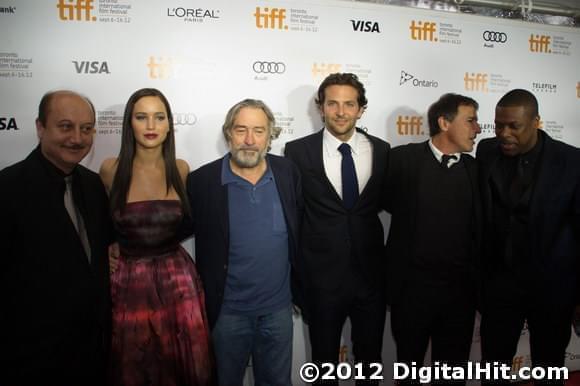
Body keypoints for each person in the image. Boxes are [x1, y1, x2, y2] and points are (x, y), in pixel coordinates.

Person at [99, 88, 213, 386]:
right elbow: (98, 226)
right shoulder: (110, 170)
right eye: (142, 117)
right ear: (129, 124)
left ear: (169, 125)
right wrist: (108, 248)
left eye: (158, 117)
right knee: (135, 366)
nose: (150, 126)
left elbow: (189, 225)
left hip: (177, 282)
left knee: (185, 365)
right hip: (129, 283)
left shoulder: (180, 169)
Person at [185, 99, 302, 386]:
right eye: (241, 130)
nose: (249, 140)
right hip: (227, 314)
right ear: (228, 133)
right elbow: (174, 227)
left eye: (258, 131)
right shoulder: (202, 181)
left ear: (269, 136)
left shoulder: (287, 173)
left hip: (277, 312)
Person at [0, 90, 113, 385]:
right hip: (31, 360)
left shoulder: (92, 185)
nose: (77, 138)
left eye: (86, 129)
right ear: (40, 127)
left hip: (93, 355)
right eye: (65, 126)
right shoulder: (7, 189)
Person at [284, 73, 389, 385]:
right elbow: (294, 216)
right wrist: (298, 278)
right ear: (321, 107)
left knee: (370, 362)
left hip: (371, 279)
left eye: (349, 104)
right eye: (333, 104)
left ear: (361, 109)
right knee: (323, 364)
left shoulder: (383, 151)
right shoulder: (297, 152)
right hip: (321, 281)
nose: (341, 111)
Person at [477, 89, 580, 385]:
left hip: (551, 287)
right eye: (498, 125)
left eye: (514, 126)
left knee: (549, 366)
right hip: (499, 284)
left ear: (536, 122)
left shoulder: (571, 161)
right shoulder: (486, 150)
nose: (504, 133)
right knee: (492, 368)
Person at [384, 93, 482, 384]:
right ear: (444, 122)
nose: (478, 128)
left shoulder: (476, 170)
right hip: (411, 295)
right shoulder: (402, 160)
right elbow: (386, 204)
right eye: (471, 120)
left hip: (460, 299)